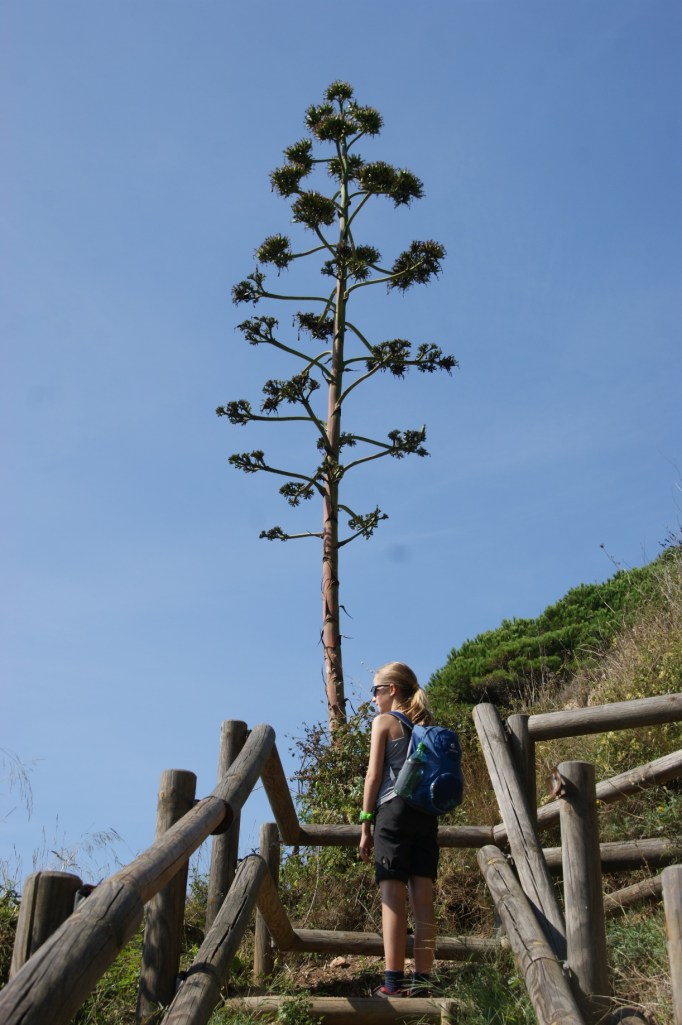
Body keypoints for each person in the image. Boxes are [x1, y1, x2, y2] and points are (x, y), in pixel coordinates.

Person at [359, 661, 438, 998]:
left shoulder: (385, 722)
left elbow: (374, 776)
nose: (374, 699)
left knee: (392, 898)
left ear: (392, 690)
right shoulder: (427, 726)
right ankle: (422, 983)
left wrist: (365, 823)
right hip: (426, 816)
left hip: (392, 813)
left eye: (376, 691)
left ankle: (392, 984)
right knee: (423, 901)